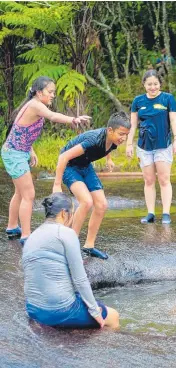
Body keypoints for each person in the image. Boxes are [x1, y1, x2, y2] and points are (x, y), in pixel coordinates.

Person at [1, 76, 90, 245]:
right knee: (29, 195)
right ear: (38, 92)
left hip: (17, 151)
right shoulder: (35, 105)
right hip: (14, 154)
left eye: (54, 92)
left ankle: (12, 227)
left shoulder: (34, 105)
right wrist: (73, 119)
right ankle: (26, 236)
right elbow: (53, 116)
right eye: (50, 92)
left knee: (20, 192)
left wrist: (30, 150)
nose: (53, 95)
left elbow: (22, 129)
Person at [22, 193, 120, 329]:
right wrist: (95, 311)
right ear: (63, 213)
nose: (72, 217)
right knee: (113, 316)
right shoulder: (65, 233)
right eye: (72, 213)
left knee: (80, 297)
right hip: (58, 311)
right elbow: (79, 279)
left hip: (33, 309)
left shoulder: (32, 237)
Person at [52, 112, 131, 260]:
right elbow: (64, 157)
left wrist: (109, 160)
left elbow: (108, 147)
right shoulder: (93, 140)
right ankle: (71, 244)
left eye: (126, 135)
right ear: (110, 130)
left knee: (101, 205)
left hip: (85, 166)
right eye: (121, 134)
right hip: (70, 166)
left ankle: (89, 246)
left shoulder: (114, 140)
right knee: (86, 202)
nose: (124, 138)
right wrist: (56, 184)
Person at [127, 70, 176, 225]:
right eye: (149, 84)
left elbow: (174, 121)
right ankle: (150, 213)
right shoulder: (138, 101)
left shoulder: (168, 99)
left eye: (155, 84)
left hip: (163, 145)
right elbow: (132, 125)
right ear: (144, 84)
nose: (153, 87)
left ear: (160, 84)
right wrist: (129, 144)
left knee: (164, 179)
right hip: (144, 146)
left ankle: (166, 213)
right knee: (149, 180)